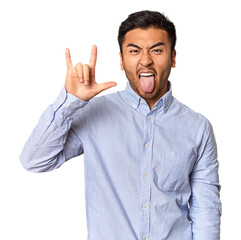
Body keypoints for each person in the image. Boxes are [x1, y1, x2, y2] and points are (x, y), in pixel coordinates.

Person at [20, 10, 222, 240]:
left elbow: (206, 210)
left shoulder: (198, 127)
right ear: (121, 59)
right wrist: (70, 102)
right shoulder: (92, 113)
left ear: (173, 57)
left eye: (156, 50)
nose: (145, 60)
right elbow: (34, 160)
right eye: (134, 51)